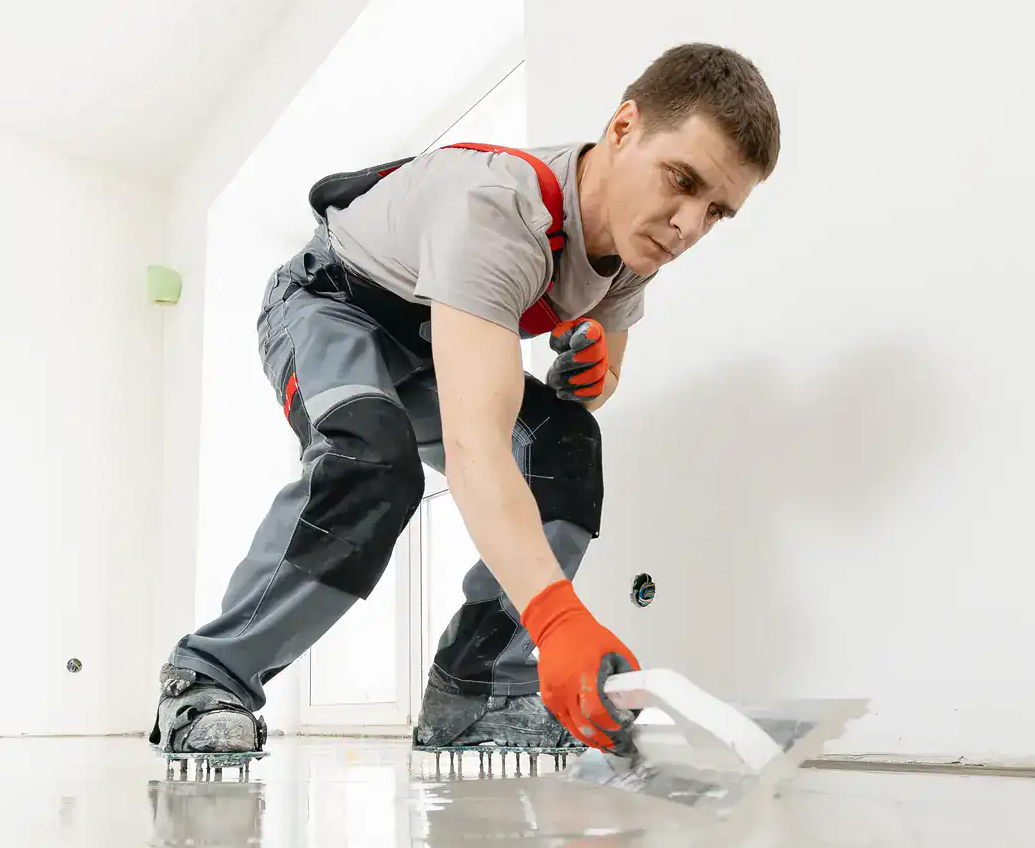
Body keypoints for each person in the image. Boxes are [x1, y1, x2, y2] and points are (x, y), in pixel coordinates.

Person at [152, 43, 780, 757]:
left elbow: (598, 391)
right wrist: (558, 619)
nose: (688, 226)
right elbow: (475, 448)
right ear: (624, 126)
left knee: (564, 445)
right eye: (682, 179)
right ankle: (208, 676)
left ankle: (477, 692)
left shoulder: (636, 251)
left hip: (429, 342)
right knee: (372, 460)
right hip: (332, 306)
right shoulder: (501, 211)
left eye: (717, 212)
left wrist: (591, 374)